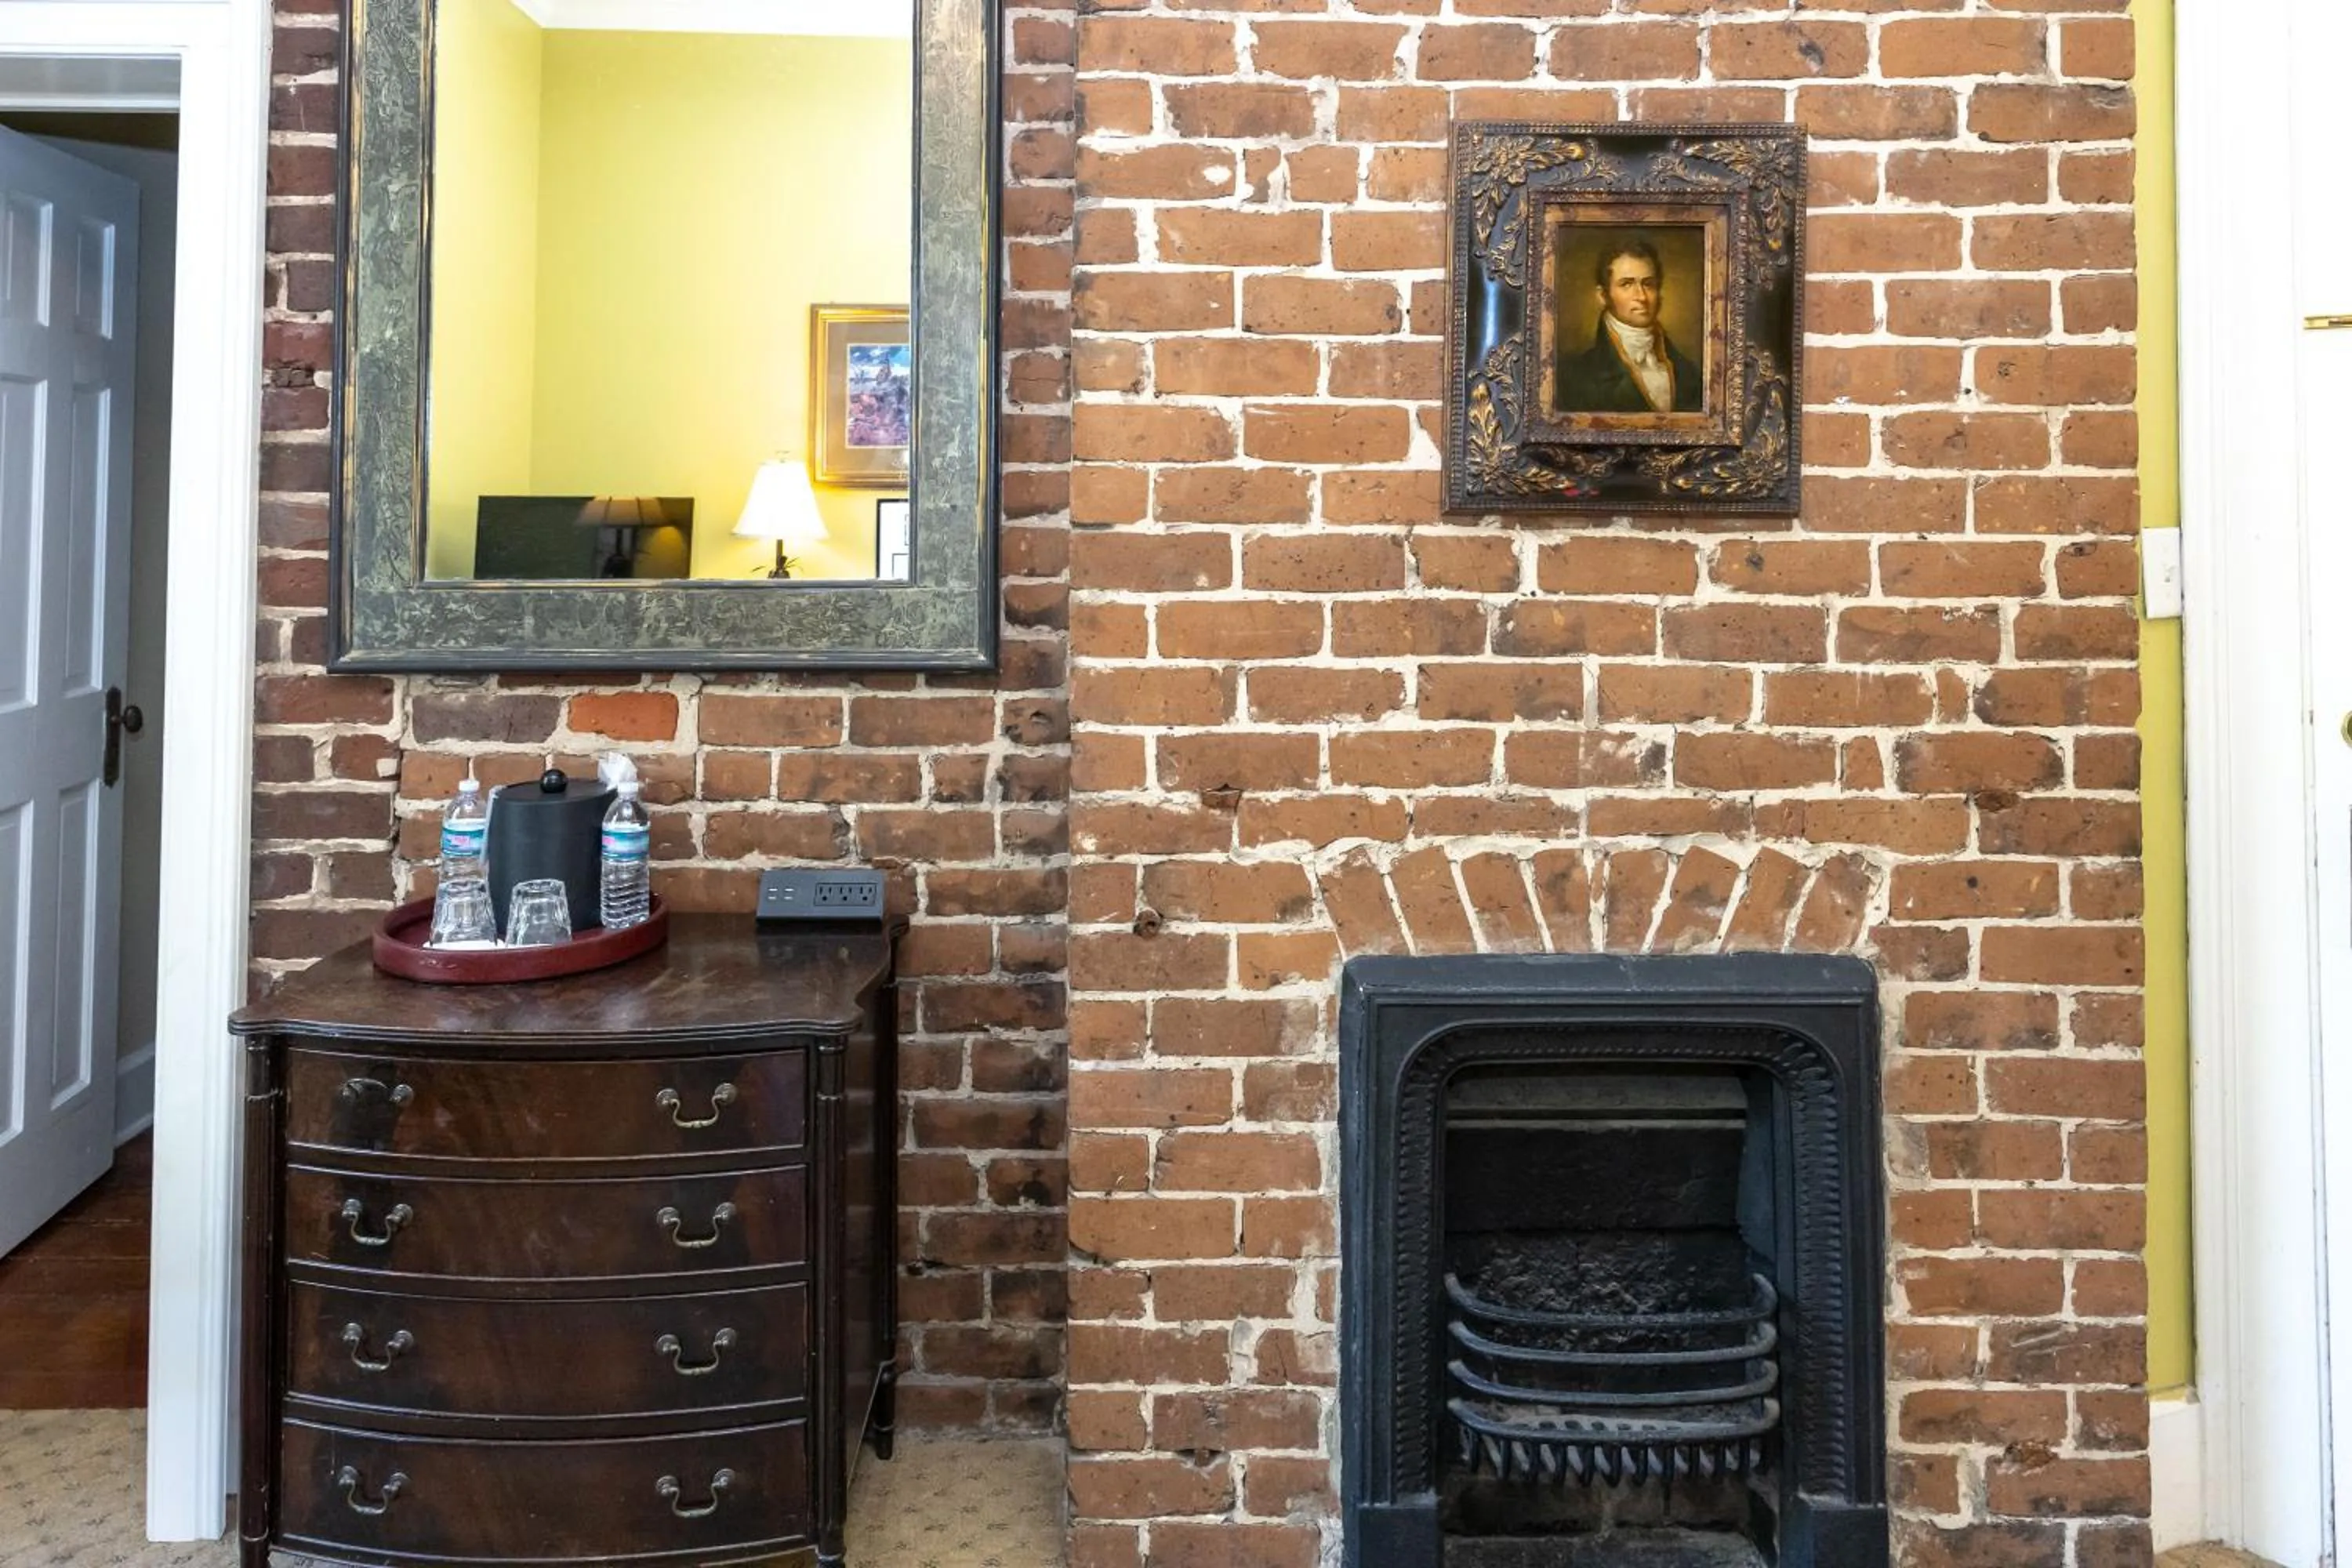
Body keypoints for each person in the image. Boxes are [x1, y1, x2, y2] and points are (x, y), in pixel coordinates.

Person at [1555, 238, 1703, 416]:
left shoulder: (1689, 374)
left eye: (1648, 284)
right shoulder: (1575, 378)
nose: (1641, 296)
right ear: (1603, 295)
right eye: (1626, 284)